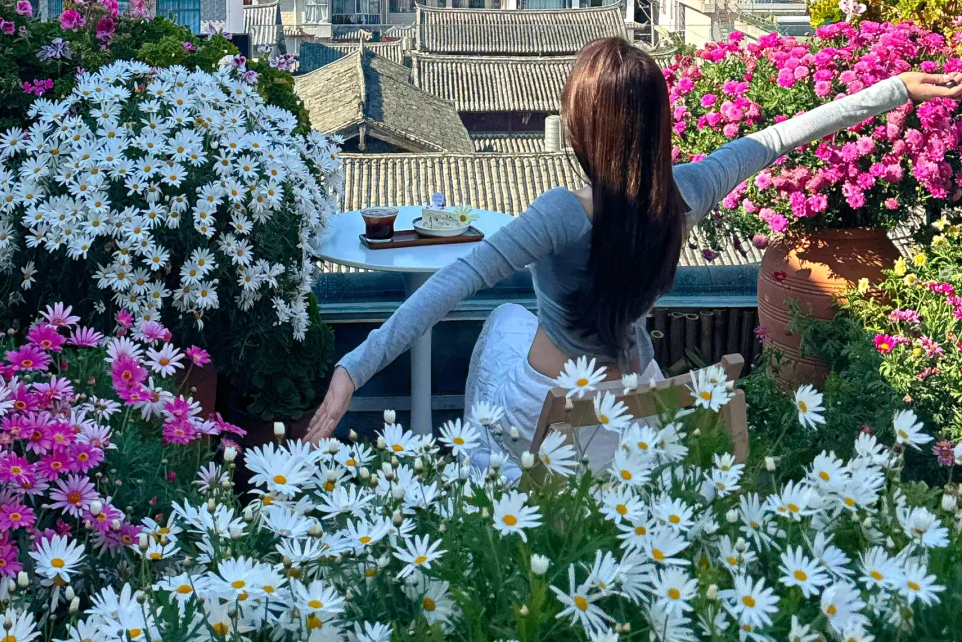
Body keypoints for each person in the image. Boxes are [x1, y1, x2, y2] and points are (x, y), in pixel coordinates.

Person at [305, 37, 962, 450]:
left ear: (583, 127)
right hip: (637, 409)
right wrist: (895, 90)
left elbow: (451, 284)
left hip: (549, 413)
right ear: (656, 122)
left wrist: (352, 370)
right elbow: (778, 138)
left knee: (503, 322)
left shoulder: (561, 214)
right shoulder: (683, 193)